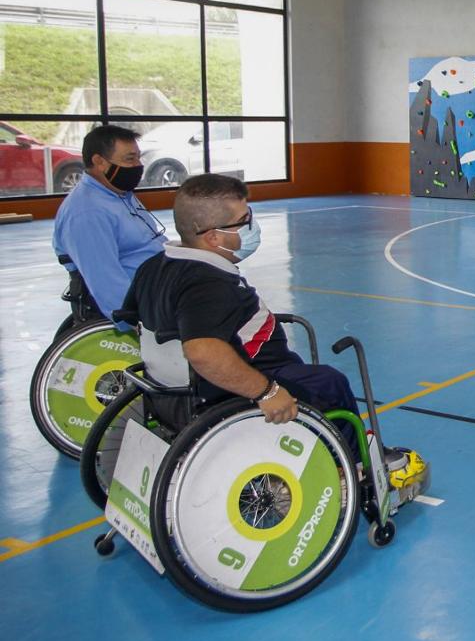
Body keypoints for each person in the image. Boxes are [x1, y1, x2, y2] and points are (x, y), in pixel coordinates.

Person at [121, 173, 357, 426]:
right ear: (213, 237)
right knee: (330, 382)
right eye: (243, 221)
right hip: (233, 391)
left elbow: (135, 320)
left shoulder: (153, 267)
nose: (251, 226)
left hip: (173, 394)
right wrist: (267, 392)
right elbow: (201, 351)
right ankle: (353, 461)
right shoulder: (209, 284)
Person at [52, 125, 166, 332]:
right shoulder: (87, 212)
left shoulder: (119, 195)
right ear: (99, 162)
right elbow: (106, 281)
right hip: (144, 299)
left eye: (138, 158)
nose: (138, 166)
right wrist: (141, 324)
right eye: (129, 159)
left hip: (160, 286)